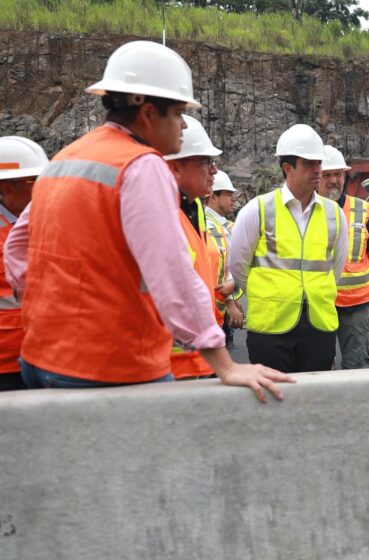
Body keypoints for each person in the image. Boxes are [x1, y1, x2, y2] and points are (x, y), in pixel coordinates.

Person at [3, 40, 292, 401]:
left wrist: (55, 311)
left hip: (41, 356)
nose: (184, 126)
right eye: (179, 113)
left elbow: (17, 247)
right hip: (110, 367)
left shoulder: (66, 158)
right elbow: (173, 272)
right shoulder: (142, 166)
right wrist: (225, 364)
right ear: (149, 113)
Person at [230, 124, 348, 373]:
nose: (318, 169)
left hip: (319, 325)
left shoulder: (334, 214)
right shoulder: (258, 209)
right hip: (270, 328)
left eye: (319, 162)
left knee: (314, 402)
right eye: (309, 163)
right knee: (274, 402)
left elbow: (335, 268)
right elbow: (238, 266)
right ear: (288, 168)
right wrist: (270, 295)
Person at [163, 115, 226, 379]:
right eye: (205, 162)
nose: (214, 171)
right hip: (170, 366)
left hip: (201, 356)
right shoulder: (160, 212)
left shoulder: (195, 208)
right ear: (176, 168)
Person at [319, 145, 369, 369]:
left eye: (338, 174)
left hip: (356, 305)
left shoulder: (363, 210)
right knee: (318, 366)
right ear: (317, 177)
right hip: (318, 303)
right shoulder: (306, 211)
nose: (334, 180)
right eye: (327, 175)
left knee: (357, 366)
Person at [0, 137, 47, 391]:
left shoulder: (41, 218)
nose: (43, 188)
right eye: (34, 182)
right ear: (6, 187)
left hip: (40, 355)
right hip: (6, 363)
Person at [205, 170, 244, 348]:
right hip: (211, 312)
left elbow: (225, 267)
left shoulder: (220, 226)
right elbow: (213, 269)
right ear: (214, 196)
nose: (233, 199)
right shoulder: (208, 226)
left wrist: (233, 298)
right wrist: (229, 302)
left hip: (217, 310)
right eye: (229, 194)